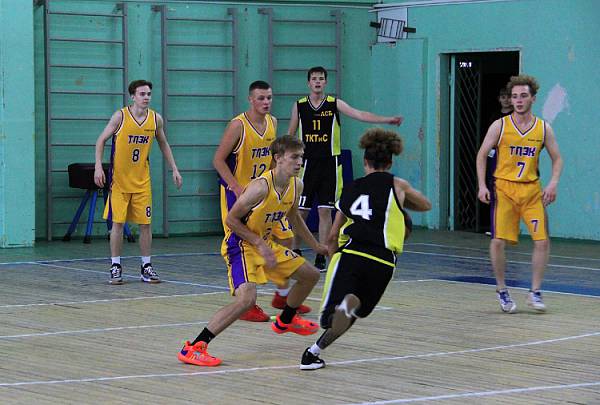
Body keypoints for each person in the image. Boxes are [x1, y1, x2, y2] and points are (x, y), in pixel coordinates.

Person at [178, 135, 328, 366]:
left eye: (301, 157)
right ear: (278, 158)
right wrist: (259, 243)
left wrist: (316, 245)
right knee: (247, 300)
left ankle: (286, 319)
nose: (300, 162)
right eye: (294, 157)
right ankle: (194, 347)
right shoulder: (260, 187)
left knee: (311, 275)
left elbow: (294, 217)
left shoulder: (296, 185)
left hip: (264, 243)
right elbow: (231, 220)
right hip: (241, 244)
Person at [299, 128, 431, 370]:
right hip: (384, 261)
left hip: (352, 254)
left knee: (332, 317)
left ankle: (338, 308)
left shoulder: (351, 188)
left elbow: (333, 235)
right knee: (352, 314)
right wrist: (400, 203)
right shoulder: (398, 185)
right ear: (390, 162)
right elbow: (426, 205)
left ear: (365, 161)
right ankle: (312, 353)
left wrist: (334, 259)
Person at [287, 66, 403, 272]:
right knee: (300, 211)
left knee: (325, 211)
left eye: (321, 78)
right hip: (307, 164)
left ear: (325, 82)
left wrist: (386, 119)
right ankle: (295, 251)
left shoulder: (334, 104)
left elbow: (360, 114)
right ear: (308, 83)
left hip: (329, 164)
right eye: (314, 79)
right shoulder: (299, 105)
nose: (317, 82)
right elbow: (290, 134)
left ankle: (322, 254)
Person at [213, 80, 311, 322]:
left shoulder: (272, 122)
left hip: (266, 191)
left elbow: (272, 160)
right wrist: (235, 186)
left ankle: (282, 295)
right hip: (239, 194)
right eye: (261, 98)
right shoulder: (238, 125)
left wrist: (276, 182)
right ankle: (248, 302)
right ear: (251, 100)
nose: (266, 102)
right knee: (245, 244)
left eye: (269, 98)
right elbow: (218, 160)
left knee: (286, 236)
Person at [476, 74, 563, 313]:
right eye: (515, 96)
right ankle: (502, 290)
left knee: (542, 241)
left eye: (523, 96)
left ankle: (535, 292)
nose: (518, 100)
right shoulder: (500, 126)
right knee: (497, 241)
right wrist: (482, 185)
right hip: (504, 189)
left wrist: (553, 183)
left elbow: (557, 158)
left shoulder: (543, 128)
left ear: (533, 98)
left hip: (531, 190)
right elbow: (482, 154)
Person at [94, 80, 182, 284]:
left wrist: (175, 168)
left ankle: (146, 266)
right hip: (119, 182)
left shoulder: (155, 119)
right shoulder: (120, 116)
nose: (146, 97)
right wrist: (98, 166)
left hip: (142, 181)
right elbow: (100, 140)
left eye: (148, 94)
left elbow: (164, 143)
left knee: (145, 224)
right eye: (142, 94)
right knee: (117, 223)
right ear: (133, 96)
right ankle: (115, 265)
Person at [483, 86, 514, 234]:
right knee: (494, 188)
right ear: (499, 99)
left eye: (509, 97)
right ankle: (495, 227)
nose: (506, 100)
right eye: (503, 97)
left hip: (510, 156)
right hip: (495, 155)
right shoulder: (495, 116)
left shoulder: (515, 116)